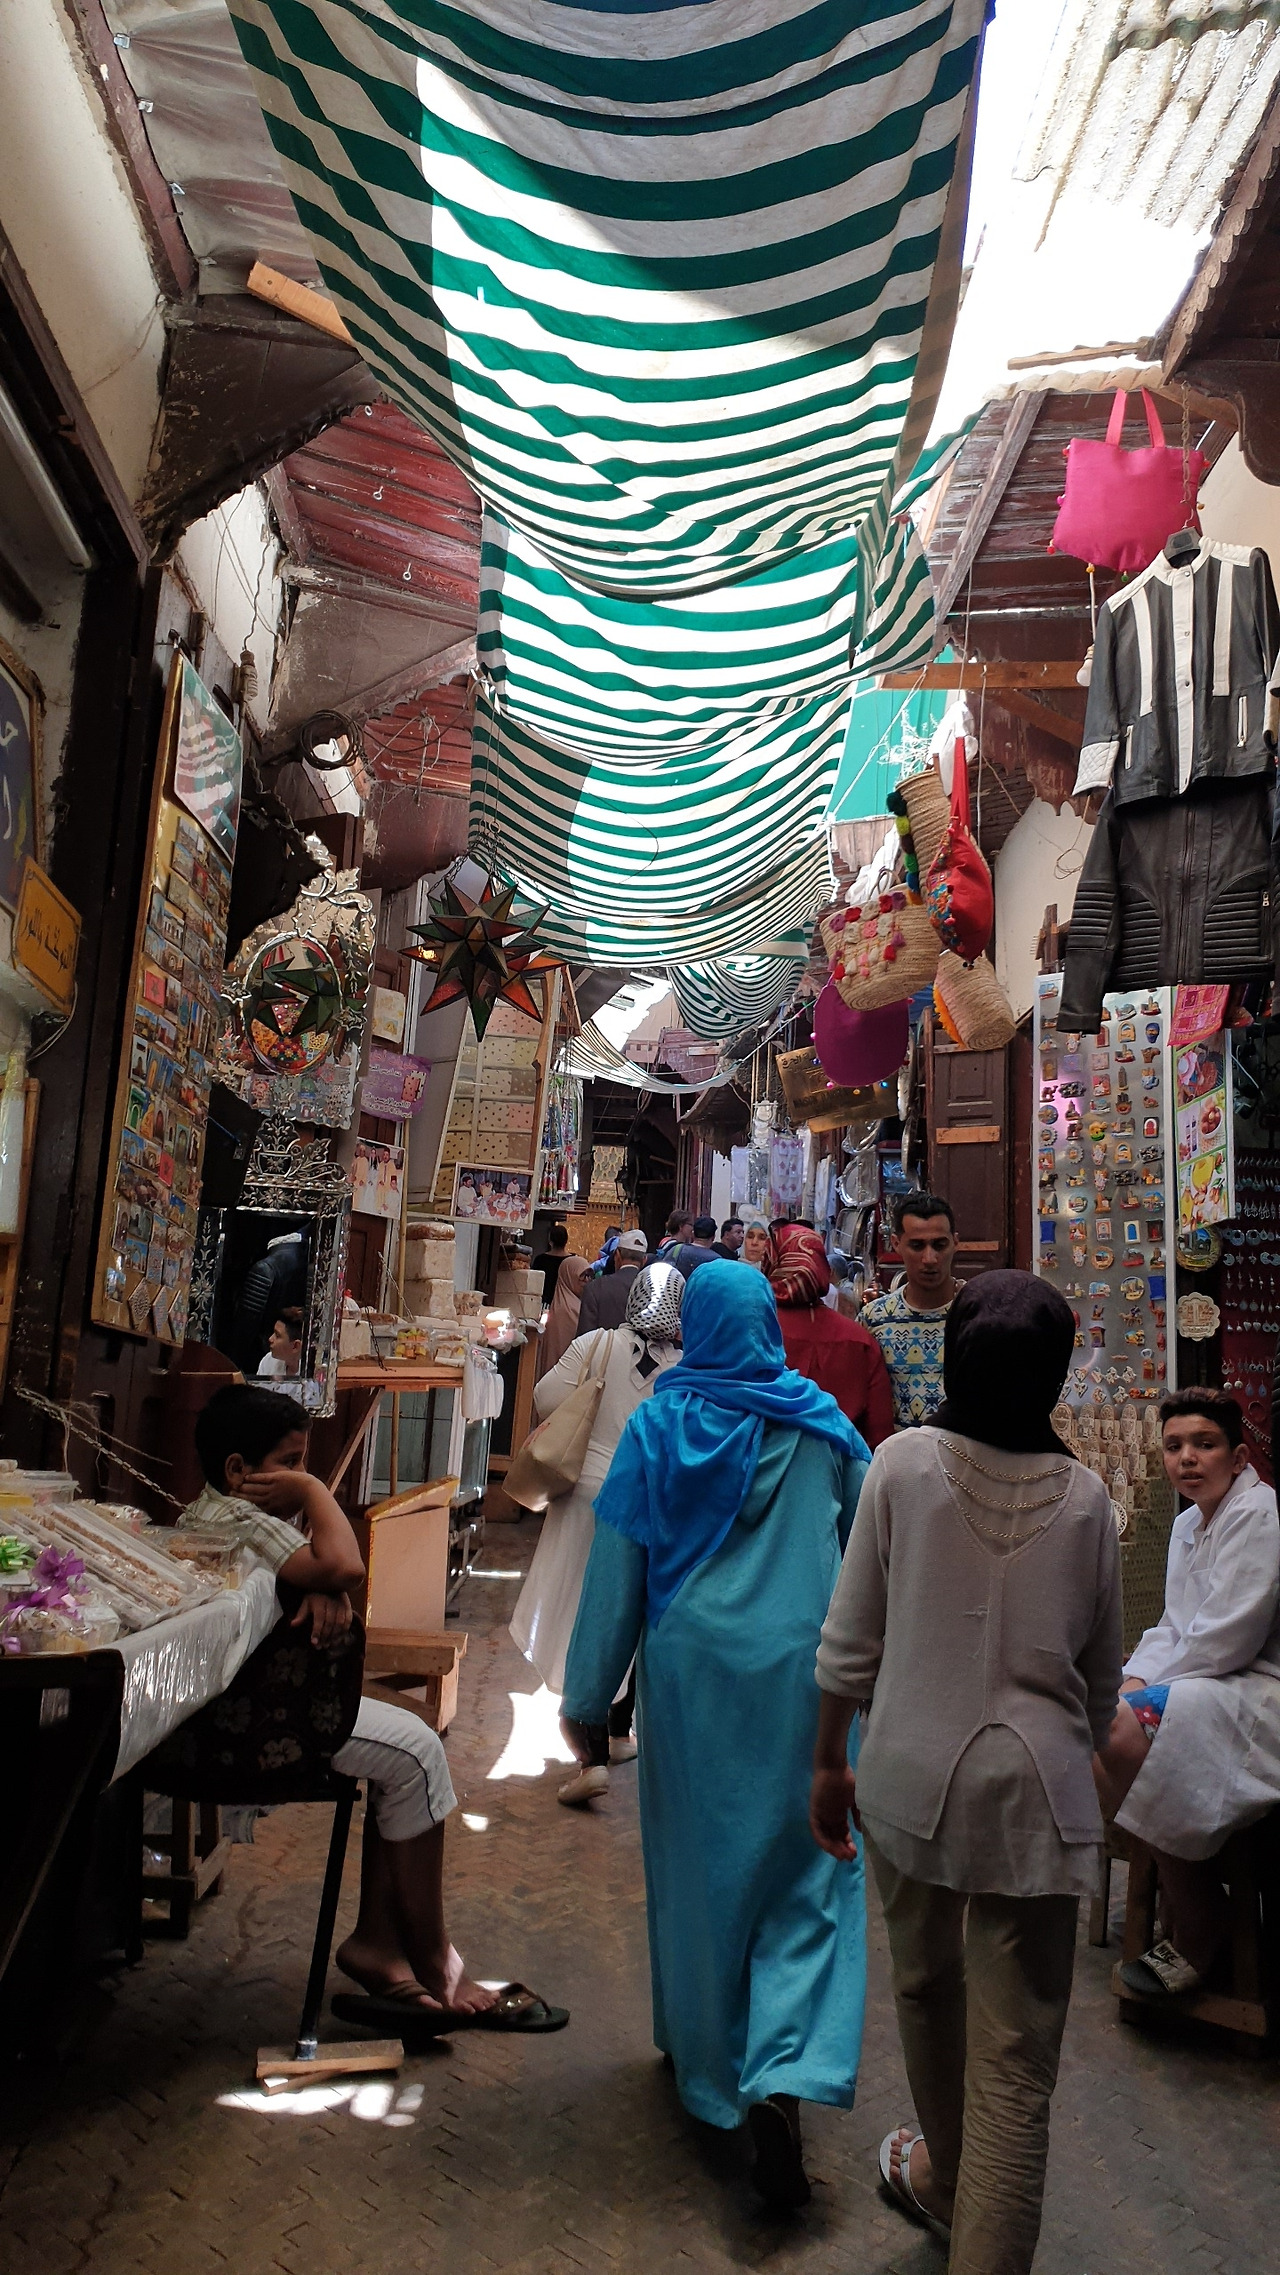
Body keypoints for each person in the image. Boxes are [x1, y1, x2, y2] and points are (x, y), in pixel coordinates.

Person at [811, 1271, 1121, 2274]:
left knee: (923, 1983)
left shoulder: (900, 1465)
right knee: (1016, 2066)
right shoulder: (1086, 1500)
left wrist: (828, 1761)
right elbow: (1099, 1683)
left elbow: (849, 1642)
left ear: (954, 1356)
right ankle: (966, 2205)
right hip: (1038, 1797)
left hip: (906, 1776)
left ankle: (946, 2176)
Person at [561, 1262, 870, 2209]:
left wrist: (587, 1698)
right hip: (804, 1678)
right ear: (768, 1326)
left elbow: (617, 1569)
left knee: (702, 1875)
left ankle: (712, 2070)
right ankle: (784, 2071)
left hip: (693, 1680)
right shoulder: (822, 1425)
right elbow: (870, 1550)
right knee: (808, 1874)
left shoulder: (659, 1426)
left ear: (693, 1328)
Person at [184, 1385, 566, 2036]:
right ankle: (435, 1961)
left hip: (260, 1703)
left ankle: (381, 1945)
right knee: (417, 1754)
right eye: (290, 1461)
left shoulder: (222, 1512)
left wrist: (321, 1585)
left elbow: (322, 1570)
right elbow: (346, 1563)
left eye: (305, 1463)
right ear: (239, 1471)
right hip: (257, 1721)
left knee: (410, 1744)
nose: (302, 1474)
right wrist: (314, 1498)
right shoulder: (243, 1516)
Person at [1095, 1389, 1280, 2000]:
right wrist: (1134, 1680)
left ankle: (1199, 1921)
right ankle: (1193, 1901)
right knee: (1101, 1724)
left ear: (1239, 1456)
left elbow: (1229, 1637)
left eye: (1205, 1444)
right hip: (1207, 1680)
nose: (1187, 1459)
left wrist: (1147, 1693)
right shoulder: (1186, 1524)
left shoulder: (1258, 1514)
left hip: (1256, 1688)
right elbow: (1173, 1626)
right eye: (1174, 1446)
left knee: (1119, 1731)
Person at [510, 1264, 684, 1803]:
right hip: (646, 1501)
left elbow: (545, 1397)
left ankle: (590, 1756)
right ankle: (617, 1730)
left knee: (577, 1609)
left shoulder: (597, 1346)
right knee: (628, 1611)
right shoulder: (686, 1367)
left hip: (586, 1491)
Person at [767, 1224, 894, 1450]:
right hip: (844, 1464)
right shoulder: (858, 1339)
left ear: (774, 1262)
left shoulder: (755, 1331)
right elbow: (880, 1432)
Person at [861, 1192, 960, 1428]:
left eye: (939, 1245)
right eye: (917, 1246)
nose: (930, 1258)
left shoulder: (978, 1314)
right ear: (896, 1244)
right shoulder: (874, 1319)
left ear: (955, 1243)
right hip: (897, 1450)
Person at [577, 1227, 648, 1332]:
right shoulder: (652, 1289)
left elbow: (584, 1335)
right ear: (644, 1260)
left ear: (617, 1255)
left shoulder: (595, 1288)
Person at [537, 1249, 592, 1378]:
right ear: (569, 1276)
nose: (587, 1280)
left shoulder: (565, 1305)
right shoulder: (567, 1310)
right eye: (582, 1276)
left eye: (589, 1276)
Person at [257, 1305, 304, 1380]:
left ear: (295, 1346)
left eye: (277, 1335)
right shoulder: (268, 1361)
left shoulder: (312, 1375)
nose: (270, 1339)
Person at [533, 1222, 569, 1304]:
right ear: (566, 1240)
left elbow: (534, 1282)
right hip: (565, 1303)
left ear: (550, 1240)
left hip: (543, 1302)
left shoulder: (540, 1259)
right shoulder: (573, 1261)